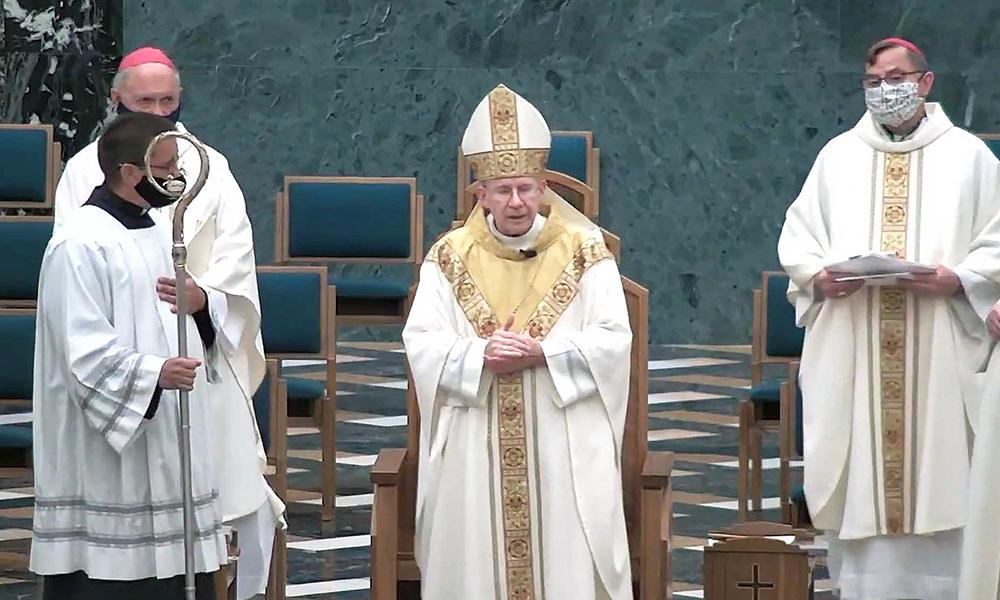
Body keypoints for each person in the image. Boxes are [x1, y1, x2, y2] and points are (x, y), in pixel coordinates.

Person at [53, 46, 281, 598]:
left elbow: (234, 259)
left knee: (204, 508)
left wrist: (205, 302)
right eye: (144, 102)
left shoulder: (209, 166)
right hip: (126, 366)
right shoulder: (86, 178)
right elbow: (80, 295)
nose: (158, 114)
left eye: (167, 101)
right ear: (116, 100)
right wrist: (146, 366)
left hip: (197, 356)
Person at [777, 37, 1000, 599]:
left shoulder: (970, 157)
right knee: (861, 494)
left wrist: (959, 278)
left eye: (896, 79)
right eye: (873, 82)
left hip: (940, 341)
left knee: (945, 475)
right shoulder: (837, 155)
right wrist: (819, 278)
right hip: (854, 339)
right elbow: (800, 237)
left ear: (925, 82)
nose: (885, 92)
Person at [403, 84, 633, 599]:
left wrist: (543, 353)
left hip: (561, 436)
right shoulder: (449, 256)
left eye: (526, 188)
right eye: (502, 190)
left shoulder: (583, 251)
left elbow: (614, 338)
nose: (515, 202)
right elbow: (421, 340)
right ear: (480, 194)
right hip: (475, 432)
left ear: (544, 188)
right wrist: (477, 355)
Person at [31, 112, 227, 598]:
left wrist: (200, 303)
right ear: (130, 174)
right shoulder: (79, 242)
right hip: (109, 451)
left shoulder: (159, 229)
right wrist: (153, 372)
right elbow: (79, 349)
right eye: (165, 169)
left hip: (168, 430)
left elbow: (173, 314)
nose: (174, 178)